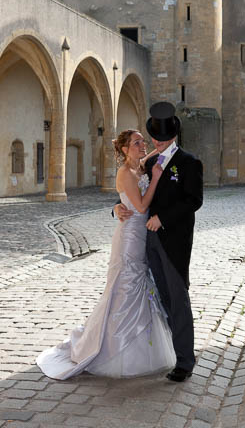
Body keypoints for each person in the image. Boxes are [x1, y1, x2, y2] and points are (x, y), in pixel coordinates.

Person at [36, 129, 176, 380]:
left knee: (139, 285)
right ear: (124, 149)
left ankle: (140, 345)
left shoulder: (140, 166)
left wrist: (166, 142)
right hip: (129, 239)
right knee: (124, 287)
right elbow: (142, 206)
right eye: (137, 142)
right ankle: (112, 348)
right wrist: (155, 178)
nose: (143, 145)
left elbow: (157, 152)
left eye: (143, 140)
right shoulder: (126, 172)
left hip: (141, 236)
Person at [115, 102, 203, 382]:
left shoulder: (190, 163)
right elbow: (129, 192)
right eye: (155, 138)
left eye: (163, 139)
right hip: (145, 243)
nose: (157, 142)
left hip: (174, 243)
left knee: (178, 300)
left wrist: (163, 218)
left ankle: (185, 362)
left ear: (173, 136)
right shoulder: (149, 163)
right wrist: (115, 208)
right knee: (161, 299)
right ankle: (167, 351)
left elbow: (193, 201)